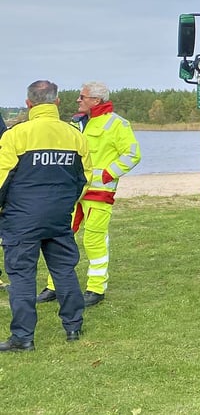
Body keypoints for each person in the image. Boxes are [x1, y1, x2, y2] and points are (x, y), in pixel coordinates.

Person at [0, 80, 88, 351]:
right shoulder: (74, 135)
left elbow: (2, 180)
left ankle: (23, 337)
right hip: (58, 216)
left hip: (21, 218)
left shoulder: (16, 135)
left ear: (28, 103)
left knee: (22, 276)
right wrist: (65, 205)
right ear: (57, 102)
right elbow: (84, 178)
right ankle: (73, 326)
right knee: (63, 270)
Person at [37, 81, 141, 308]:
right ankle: (54, 285)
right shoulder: (75, 123)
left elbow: (132, 155)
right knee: (60, 237)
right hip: (72, 191)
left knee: (94, 239)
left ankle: (96, 288)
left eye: (82, 97)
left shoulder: (117, 124)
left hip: (99, 192)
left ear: (96, 100)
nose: (78, 100)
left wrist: (107, 174)